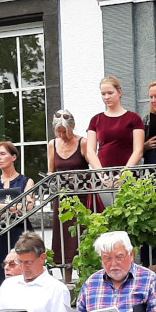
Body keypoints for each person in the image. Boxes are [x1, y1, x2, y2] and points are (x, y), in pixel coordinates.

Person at [0, 140, 35, 289]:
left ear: (13, 157)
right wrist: (11, 207)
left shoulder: (26, 181)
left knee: (23, 262)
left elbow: (27, 206)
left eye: (3, 154)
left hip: (20, 230)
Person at [47, 110, 91, 273]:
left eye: (64, 131)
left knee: (80, 235)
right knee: (63, 238)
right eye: (58, 131)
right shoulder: (52, 144)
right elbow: (51, 170)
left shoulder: (83, 142)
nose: (61, 135)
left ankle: (83, 274)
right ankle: (66, 279)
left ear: (71, 127)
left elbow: (91, 166)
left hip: (81, 197)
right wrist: (50, 176)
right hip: (62, 197)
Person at [87, 76, 145, 172]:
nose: (106, 97)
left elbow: (138, 151)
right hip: (102, 175)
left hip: (128, 175)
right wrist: (101, 175)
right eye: (103, 94)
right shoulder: (95, 120)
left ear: (119, 92)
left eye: (110, 93)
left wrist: (124, 174)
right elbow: (90, 152)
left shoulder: (134, 118)